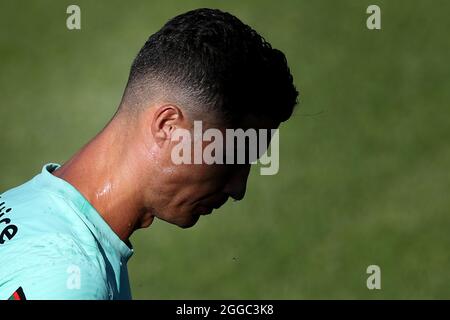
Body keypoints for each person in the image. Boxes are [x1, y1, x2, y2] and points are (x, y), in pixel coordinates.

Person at [0, 8, 298, 299]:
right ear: (168, 126)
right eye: (233, 155)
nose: (238, 188)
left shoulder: (25, 203)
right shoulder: (71, 280)